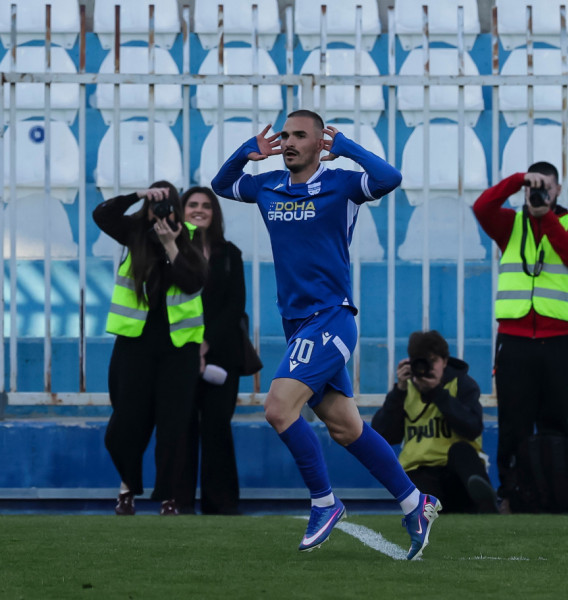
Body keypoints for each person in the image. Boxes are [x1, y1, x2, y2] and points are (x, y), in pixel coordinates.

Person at [211, 109, 441, 559]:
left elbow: (390, 178)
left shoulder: (341, 185)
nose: (289, 142)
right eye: (285, 135)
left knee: (278, 408)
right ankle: (415, 503)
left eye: (300, 135)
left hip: (330, 317)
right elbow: (222, 185)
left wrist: (348, 148)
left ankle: (324, 502)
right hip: (297, 323)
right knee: (345, 427)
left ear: (320, 144)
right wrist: (245, 153)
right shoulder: (267, 185)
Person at [472, 161, 568, 513]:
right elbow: (481, 207)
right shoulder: (511, 223)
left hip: (560, 341)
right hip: (515, 340)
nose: (539, 193)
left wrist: (546, 217)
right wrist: (516, 180)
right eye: (533, 187)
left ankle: (558, 494)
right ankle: (511, 495)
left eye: (546, 187)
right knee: (513, 423)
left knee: (556, 421)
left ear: (558, 191)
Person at [93, 181, 207, 516]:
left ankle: (169, 496)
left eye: (167, 204)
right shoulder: (134, 232)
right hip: (134, 344)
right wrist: (139, 195)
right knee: (125, 423)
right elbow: (101, 214)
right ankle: (128, 486)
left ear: (177, 208)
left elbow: (194, 282)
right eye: (156, 204)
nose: (161, 211)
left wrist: (171, 245)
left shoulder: (190, 235)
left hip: (179, 348)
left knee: (173, 425)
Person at [174, 186, 247, 515]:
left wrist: (206, 343)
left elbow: (235, 306)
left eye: (206, 205)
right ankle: (178, 502)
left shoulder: (230, 254)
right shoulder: (170, 251)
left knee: (217, 427)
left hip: (221, 354)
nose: (199, 210)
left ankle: (222, 505)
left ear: (215, 213)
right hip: (179, 352)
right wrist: (192, 345)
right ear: (181, 211)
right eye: (192, 204)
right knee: (182, 427)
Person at [372, 330, 497, 514]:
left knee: (461, 451)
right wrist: (398, 392)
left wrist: (437, 393)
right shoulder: (405, 390)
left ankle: (487, 506)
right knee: (425, 495)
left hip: (458, 474)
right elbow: (382, 435)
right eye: (422, 361)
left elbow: (472, 428)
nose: (428, 367)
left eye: (433, 361)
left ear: (445, 361)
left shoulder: (462, 384)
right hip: (420, 471)